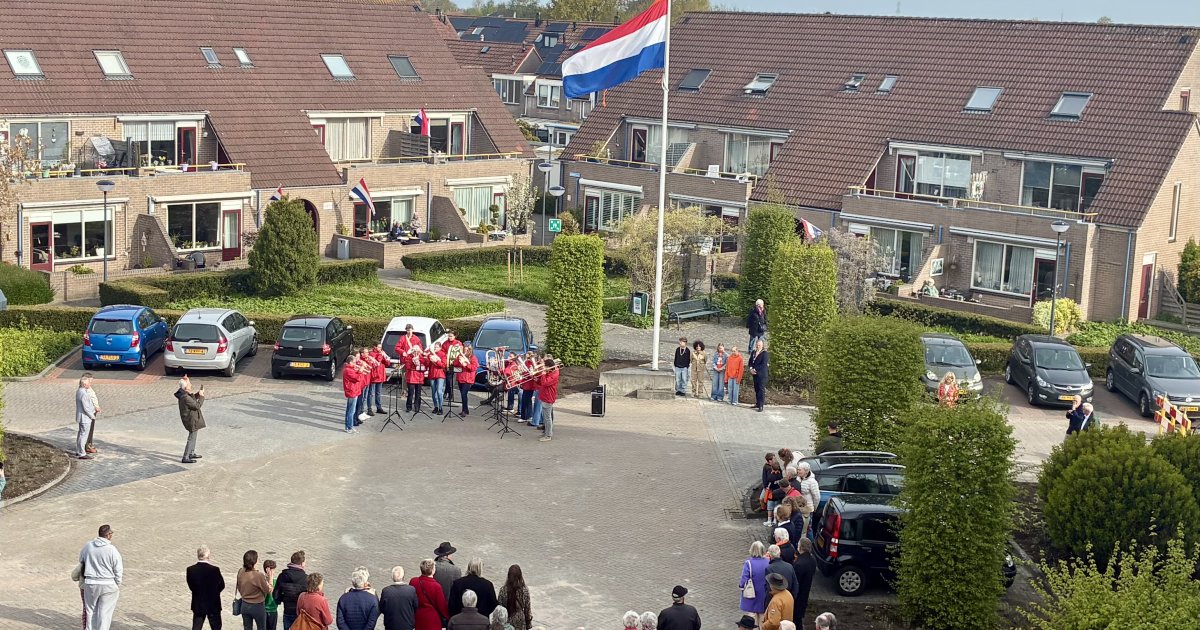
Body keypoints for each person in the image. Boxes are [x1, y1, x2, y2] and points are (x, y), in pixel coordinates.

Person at [79, 524, 123, 630]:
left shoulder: (88, 546)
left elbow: (81, 560)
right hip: (108, 583)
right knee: (105, 613)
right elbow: (118, 569)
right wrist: (117, 583)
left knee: (90, 612)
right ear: (108, 535)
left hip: (91, 583)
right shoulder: (112, 550)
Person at [187, 545, 225, 630]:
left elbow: (191, 586)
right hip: (213, 603)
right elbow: (222, 585)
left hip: (198, 603)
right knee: (216, 627)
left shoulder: (190, 570)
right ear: (208, 556)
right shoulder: (215, 570)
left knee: (196, 626)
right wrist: (214, 592)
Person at [238, 550, 273, 630]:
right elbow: (269, 590)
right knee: (261, 628)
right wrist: (270, 578)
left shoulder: (240, 572)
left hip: (244, 605)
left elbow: (239, 587)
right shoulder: (258, 575)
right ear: (255, 562)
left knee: (247, 628)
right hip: (258, 606)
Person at [273, 551, 308, 630]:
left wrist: (283, 599)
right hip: (300, 613)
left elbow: (275, 595)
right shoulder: (306, 578)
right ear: (302, 563)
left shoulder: (282, 576)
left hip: (287, 611)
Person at [410, 559, 449, 630]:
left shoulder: (413, 581)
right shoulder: (436, 586)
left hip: (419, 617)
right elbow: (442, 606)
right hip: (433, 619)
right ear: (433, 570)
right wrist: (449, 617)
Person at [176, 377, 206, 463]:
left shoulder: (184, 394)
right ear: (185, 387)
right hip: (191, 419)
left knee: (194, 435)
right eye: (189, 384)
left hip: (192, 418)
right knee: (191, 437)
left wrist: (198, 394)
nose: (191, 385)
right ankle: (185, 457)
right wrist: (201, 396)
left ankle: (191, 453)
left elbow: (192, 399)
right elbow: (196, 405)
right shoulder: (185, 397)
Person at [739, 541, 769, 622]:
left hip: (752, 593)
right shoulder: (768, 562)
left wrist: (741, 587)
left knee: (752, 617)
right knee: (762, 616)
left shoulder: (748, 563)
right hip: (764, 593)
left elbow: (744, 579)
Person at [496, 565, 532, 630]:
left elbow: (500, 608)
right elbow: (527, 609)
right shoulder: (524, 590)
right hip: (520, 621)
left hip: (507, 620)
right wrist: (528, 624)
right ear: (520, 576)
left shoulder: (503, 590)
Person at [764, 545, 797, 610]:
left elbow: (769, 589)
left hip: (775, 603)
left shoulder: (769, 569)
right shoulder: (789, 566)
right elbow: (795, 585)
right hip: (788, 600)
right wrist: (792, 598)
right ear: (780, 553)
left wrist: (766, 605)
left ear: (770, 556)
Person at [792, 539, 816, 626]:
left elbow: (795, 582)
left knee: (796, 619)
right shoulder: (812, 560)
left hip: (797, 596)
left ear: (801, 547)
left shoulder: (798, 564)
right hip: (805, 593)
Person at [535, 359, 559, 442]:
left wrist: (543, 374)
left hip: (548, 397)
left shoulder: (554, 374)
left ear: (549, 367)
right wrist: (536, 379)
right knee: (545, 417)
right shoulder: (549, 373)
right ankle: (546, 432)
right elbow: (542, 383)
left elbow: (545, 383)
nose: (543, 368)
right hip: (544, 396)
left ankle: (548, 435)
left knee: (547, 418)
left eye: (545, 366)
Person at [75, 375, 97, 460]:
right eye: (88, 383)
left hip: (81, 417)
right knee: (83, 435)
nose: (90, 385)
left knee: (80, 434)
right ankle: (82, 453)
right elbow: (86, 408)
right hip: (85, 418)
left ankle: (79, 450)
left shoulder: (79, 391)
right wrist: (92, 416)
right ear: (84, 384)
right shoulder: (84, 393)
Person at [342, 354, 365, 434]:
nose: (355, 364)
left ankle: (348, 426)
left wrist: (359, 370)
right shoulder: (348, 370)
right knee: (351, 411)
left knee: (349, 410)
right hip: (352, 391)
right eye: (354, 362)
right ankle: (349, 427)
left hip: (353, 390)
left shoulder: (350, 368)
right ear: (350, 362)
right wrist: (361, 370)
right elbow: (357, 378)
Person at [456, 343, 479, 417]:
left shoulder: (473, 357)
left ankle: (464, 410)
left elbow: (473, 368)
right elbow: (454, 364)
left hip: (468, 379)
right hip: (460, 377)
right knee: (463, 395)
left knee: (463, 394)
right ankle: (466, 409)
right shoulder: (460, 355)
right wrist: (459, 360)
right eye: (464, 349)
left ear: (469, 350)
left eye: (466, 350)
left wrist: (466, 364)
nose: (465, 351)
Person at [795, 464, 820, 528]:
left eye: (800, 470)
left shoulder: (812, 482)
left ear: (806, 471)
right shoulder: (797, 479)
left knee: (808, 527)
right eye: (798, 469)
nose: (798, 471)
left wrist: (814, 507)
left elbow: (816, 497)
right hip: (798, 507)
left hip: (808, 508)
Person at [370, 343, 393, 415]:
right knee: (371, 393)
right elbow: (377, 362)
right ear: (375, 347)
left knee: (378, 393)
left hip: (380, 375)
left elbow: (387, 363)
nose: (380, 348)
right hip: (374, 376)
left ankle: (379, 407)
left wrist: (385, 356)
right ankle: (369, 408)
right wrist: (381, 354)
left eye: (381, 347)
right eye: (379, 347)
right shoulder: (372, 353)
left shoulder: (382, 353)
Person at [357, 348, 379, 422]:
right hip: (363, 381)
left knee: (365, 397)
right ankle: (360, 412)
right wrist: (368, 361)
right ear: (362, 354)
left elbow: (376, 365)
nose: (368, 354)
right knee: (361, 398)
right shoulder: (361, 360)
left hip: (368, 381)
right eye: (366, 352)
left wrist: (372, 360)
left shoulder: (368, 359)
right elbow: (367, 368)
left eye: (368, 352)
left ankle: (362, 411)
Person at [405, 348, 429, 415]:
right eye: (414, 351)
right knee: (410, 393)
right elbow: (407, 366)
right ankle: (408, 407)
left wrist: (420, 359)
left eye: (417, 351)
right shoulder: (409, 357)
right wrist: (413, 362)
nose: (416, 353)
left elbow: (427, 364)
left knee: (418, 393)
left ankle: (417, 407)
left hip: (419, 377)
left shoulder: (422, 357)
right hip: (411, 377)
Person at [83, 372, 101, 454]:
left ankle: (88, 445)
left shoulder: (88, 389)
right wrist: (96, 407)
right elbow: (90, 401)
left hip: (92, 411)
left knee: (90, 429)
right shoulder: (85, 391)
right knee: (88, 430)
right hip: (89, 413)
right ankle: (87, 446)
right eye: (90, 381)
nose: (91, 383)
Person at [427, 343, 448, 415]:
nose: (435, 348)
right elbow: (428, 364)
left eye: (436, 347)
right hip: (432, 374)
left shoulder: (443, 354)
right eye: (434, 347)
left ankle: (440, 407)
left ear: (440, 348)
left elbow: (443, 365)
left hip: (440, 374)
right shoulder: (431, 354)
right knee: (433, 392)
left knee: (439, 391)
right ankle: (435, 406)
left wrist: (436, 361)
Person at [761, 453, 782, 526]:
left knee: (770, 507)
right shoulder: (780, 474)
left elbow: (767, 482)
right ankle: (775, 520)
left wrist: (766, 487)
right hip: (778, 493)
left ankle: (769, 520)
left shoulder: (770, 477)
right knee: (776, 507)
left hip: (771, 493)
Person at [749, 339, 769, 412]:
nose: (758, 346)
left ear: (762, 345)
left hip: (762, 375)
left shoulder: (765, 354)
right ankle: (757, 403)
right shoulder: (753, 352)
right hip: (755, 375)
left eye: (759, 345)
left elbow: (763, 365)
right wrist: (751, 368)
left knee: (761, 390)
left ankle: (761, 405)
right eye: (757, 345)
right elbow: (750, 361)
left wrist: (755, 369)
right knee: (756, 389)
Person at [263, 560, 280, 630]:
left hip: (272, 610)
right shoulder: (263, 581)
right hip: (266, 610)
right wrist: (270, 578)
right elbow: (270, 591)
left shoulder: (276, 581)